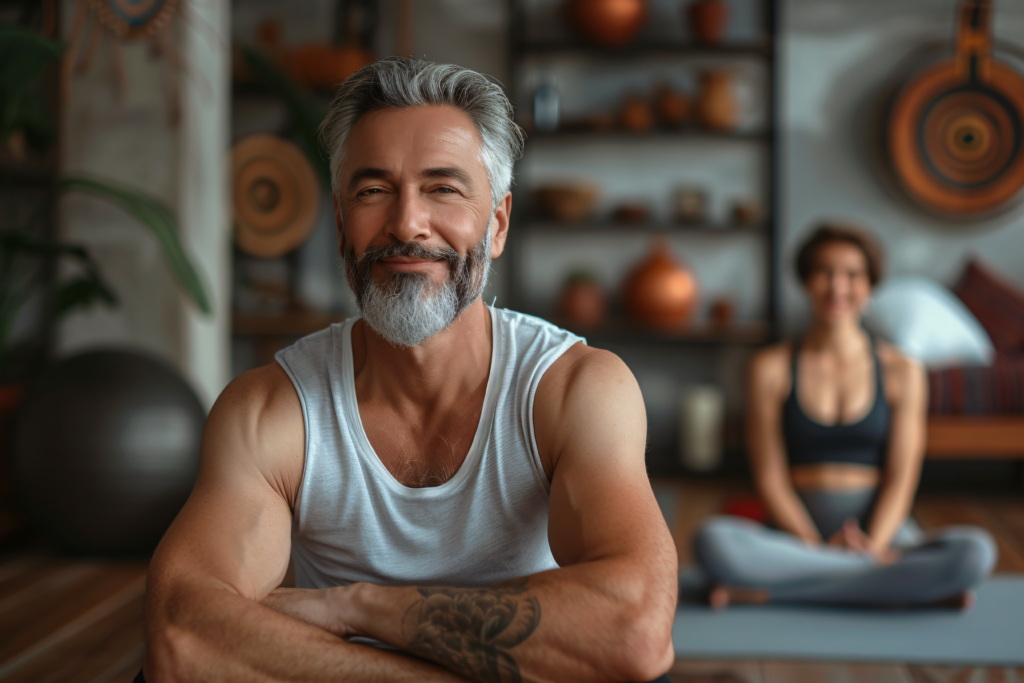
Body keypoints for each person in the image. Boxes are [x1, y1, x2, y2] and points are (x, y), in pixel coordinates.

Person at [141, 58, 678, 683]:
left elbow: (635, 632)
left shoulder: (574, 389)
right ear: (341, 227)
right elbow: (181, 638)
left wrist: (353, 605)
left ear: (497, 223)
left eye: (444, 189)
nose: (405, 223)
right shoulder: (269, 410)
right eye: (373, 191)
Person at [693, 224, 997, 609]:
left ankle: (772, 592)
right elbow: (770, 474)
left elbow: (902, 476)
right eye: (824, 272)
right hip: (793, 537)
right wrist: (816, 547)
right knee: (712, 541)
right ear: (806, 282)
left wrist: (873, 545)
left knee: (975, 553)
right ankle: (900, 589)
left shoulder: (903, 371)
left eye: (853, 274)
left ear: (870, 286)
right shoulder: (769, 368)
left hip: (884, 536)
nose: (838, 287)